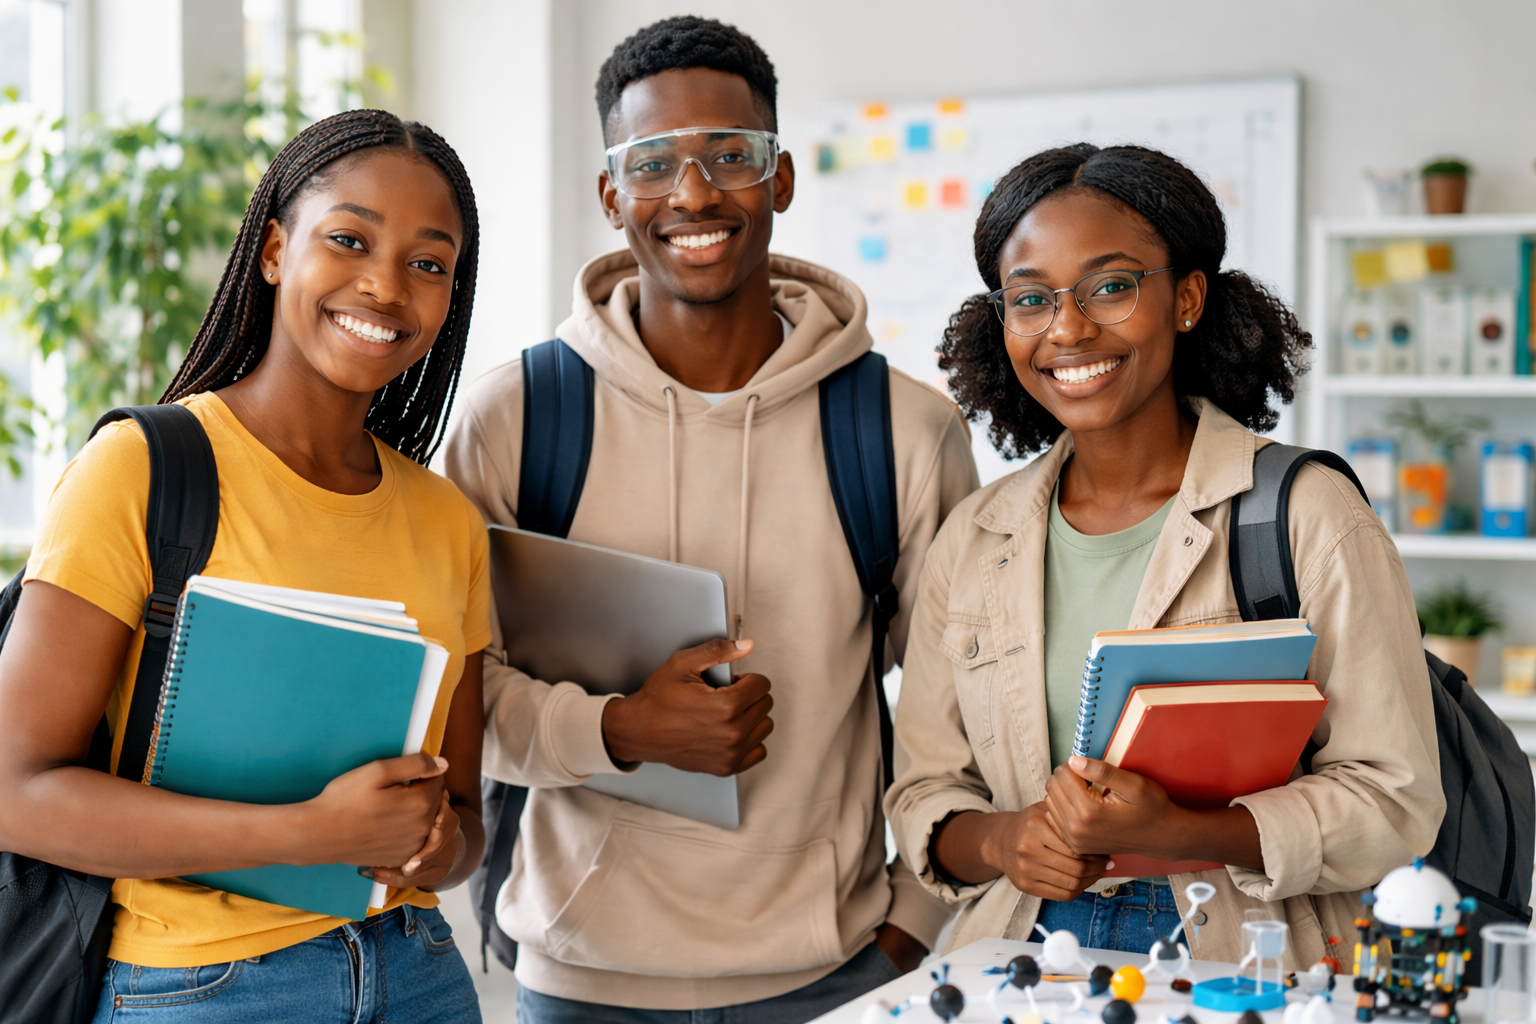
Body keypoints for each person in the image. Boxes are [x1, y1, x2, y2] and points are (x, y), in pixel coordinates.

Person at [443, 16, 977, 1023]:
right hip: (580, 978)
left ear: (778, 179)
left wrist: (912, 917)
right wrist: (622, 728)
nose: (693, 194)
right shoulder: (516, 417)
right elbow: (458, 705)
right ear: (612, 196)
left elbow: (968, 710)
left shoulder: (902, 427)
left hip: (838, 974)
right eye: (654, 163)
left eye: (730, 156)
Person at [884, 143, 1444, 966]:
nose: (1068, 328)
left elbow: (1395, 805)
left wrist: (1181, 831)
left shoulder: (1306, 514)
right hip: (1026, 957)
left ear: (1186, 298)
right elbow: (926, 796)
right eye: (1031, 299)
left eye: (1111, 287)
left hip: (1243, 959)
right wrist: (1008, 842)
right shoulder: (974, 537)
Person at [0, 109, 490, 1023]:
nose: (386, 286)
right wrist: (309, 835)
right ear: (273, 250)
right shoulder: (142, 470)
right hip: (202, 989)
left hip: (418, 969)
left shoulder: (446, 520)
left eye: (429, 263)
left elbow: (461, 813)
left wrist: (432, 845)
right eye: (349, 239)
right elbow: (14, 793)